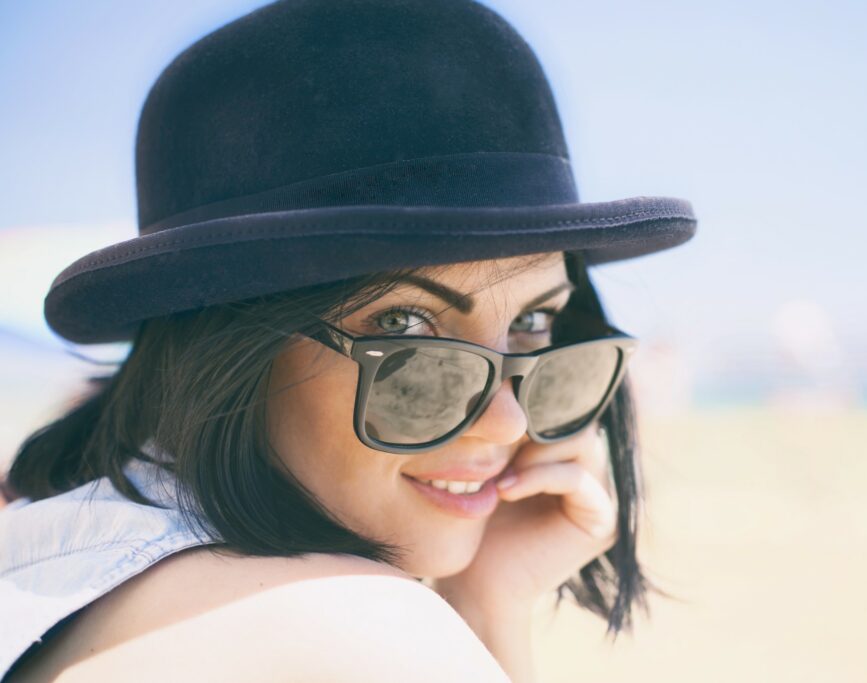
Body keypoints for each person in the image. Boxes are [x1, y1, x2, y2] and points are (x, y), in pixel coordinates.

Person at [0, 1, 697, 681]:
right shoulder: (360, 632)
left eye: (536, 323)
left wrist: (486, 602)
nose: (509, 419)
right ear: (228, 351)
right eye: (403, 325)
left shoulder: (54, 551)